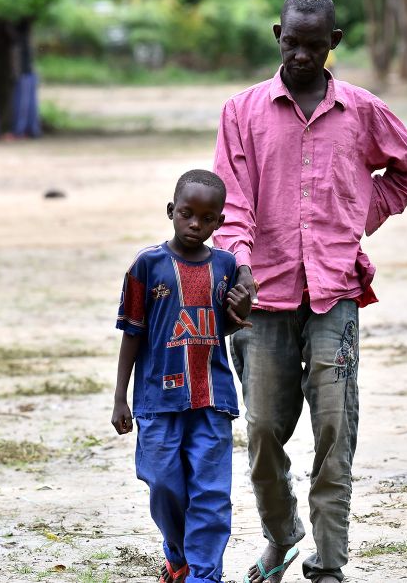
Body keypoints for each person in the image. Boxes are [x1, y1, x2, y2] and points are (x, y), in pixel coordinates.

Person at [213, 0, 407, 583]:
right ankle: (281, 537)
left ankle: (329, 562)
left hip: (334, 291)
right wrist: (239, 266)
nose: (303, 55)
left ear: (333, 44)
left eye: (316, 46)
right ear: (277, 35)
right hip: (261, 296)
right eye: (293, 42)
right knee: (262, 431)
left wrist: (364, 210)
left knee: (335, 427)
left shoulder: (361, 110)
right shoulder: (242, 112)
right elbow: (233, 200)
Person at [112, 169, 254, 583]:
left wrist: (240, 313)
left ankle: (204, 574)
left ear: (220, 223)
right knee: (162, 482)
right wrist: (121, 396)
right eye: (187, 214)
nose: (196, 224)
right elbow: (133, 332)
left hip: (213, 398)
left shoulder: (226, 266)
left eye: (207, 219)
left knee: (210, 494)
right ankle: (179, 556)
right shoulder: (147, 265)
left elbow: (219, 325)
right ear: (171, 211)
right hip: (158, 400)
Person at [10, 19, 40, 138]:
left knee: (23, 105)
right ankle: (31, 130)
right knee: (30, 105)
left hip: (24, 76)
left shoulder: (20, 42)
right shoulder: (25, 41)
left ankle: (20, 130)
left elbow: (16, 61)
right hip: (28, 75)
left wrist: (15, 74)